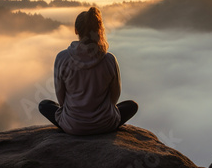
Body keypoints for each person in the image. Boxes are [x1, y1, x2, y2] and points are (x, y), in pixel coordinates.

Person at [39, 7, 138, 135]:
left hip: (73, 126)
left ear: (76, 31)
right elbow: (114, 98)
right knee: (131, 106)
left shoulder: (62, 58)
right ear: (98, 30)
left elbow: (61, 99)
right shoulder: (109, 60)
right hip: (105, 125)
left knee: (44, 105)